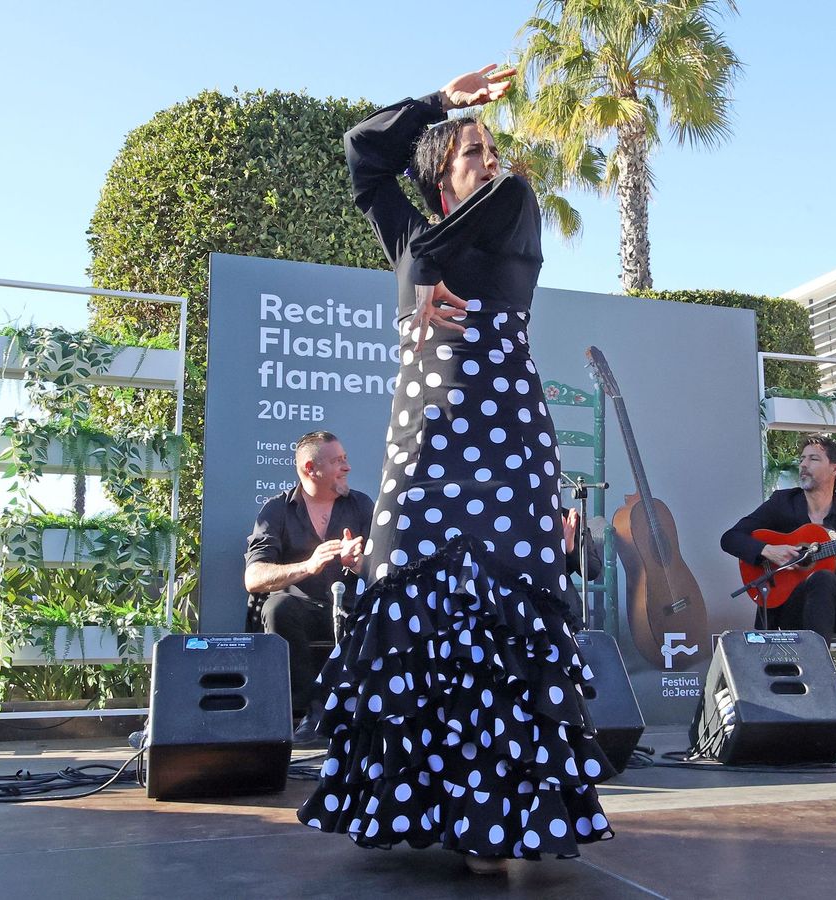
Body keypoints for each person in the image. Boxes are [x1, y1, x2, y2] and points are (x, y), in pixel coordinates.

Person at [296, 66, 613, 872]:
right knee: (411, 617)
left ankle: (497, 819)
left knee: (508, 627)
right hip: (425, 452)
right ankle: (420, 803)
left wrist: (430, 271)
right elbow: (363, 151)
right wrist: (443, 103)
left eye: (493, 147)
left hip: (506, 449)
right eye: (473, 150)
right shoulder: (407, 235)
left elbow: (500, 206)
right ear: (438, 170)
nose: (490, 157)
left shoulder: (514, 212)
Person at [721, 435, 836, 728]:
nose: (803, 465)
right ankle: (820, 689)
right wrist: (767, 550)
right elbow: (731, 538)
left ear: (835, 468)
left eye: (813, 459)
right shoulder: (782, 504)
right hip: (789, 607)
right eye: (802, 459)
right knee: (823, 578)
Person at [243, 431, 370, 743]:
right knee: (278, 607)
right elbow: (253, 578)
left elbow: (387, 569)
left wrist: (358, 563)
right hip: (299, 608)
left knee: (381, 613)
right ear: (310, 468)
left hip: (350, 608)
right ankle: (302, 715)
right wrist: (308, 566)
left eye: (346, 459)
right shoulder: (277, 510)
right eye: (338, 461)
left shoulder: (361, 505)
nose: (347, 467)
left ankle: (368, 713)